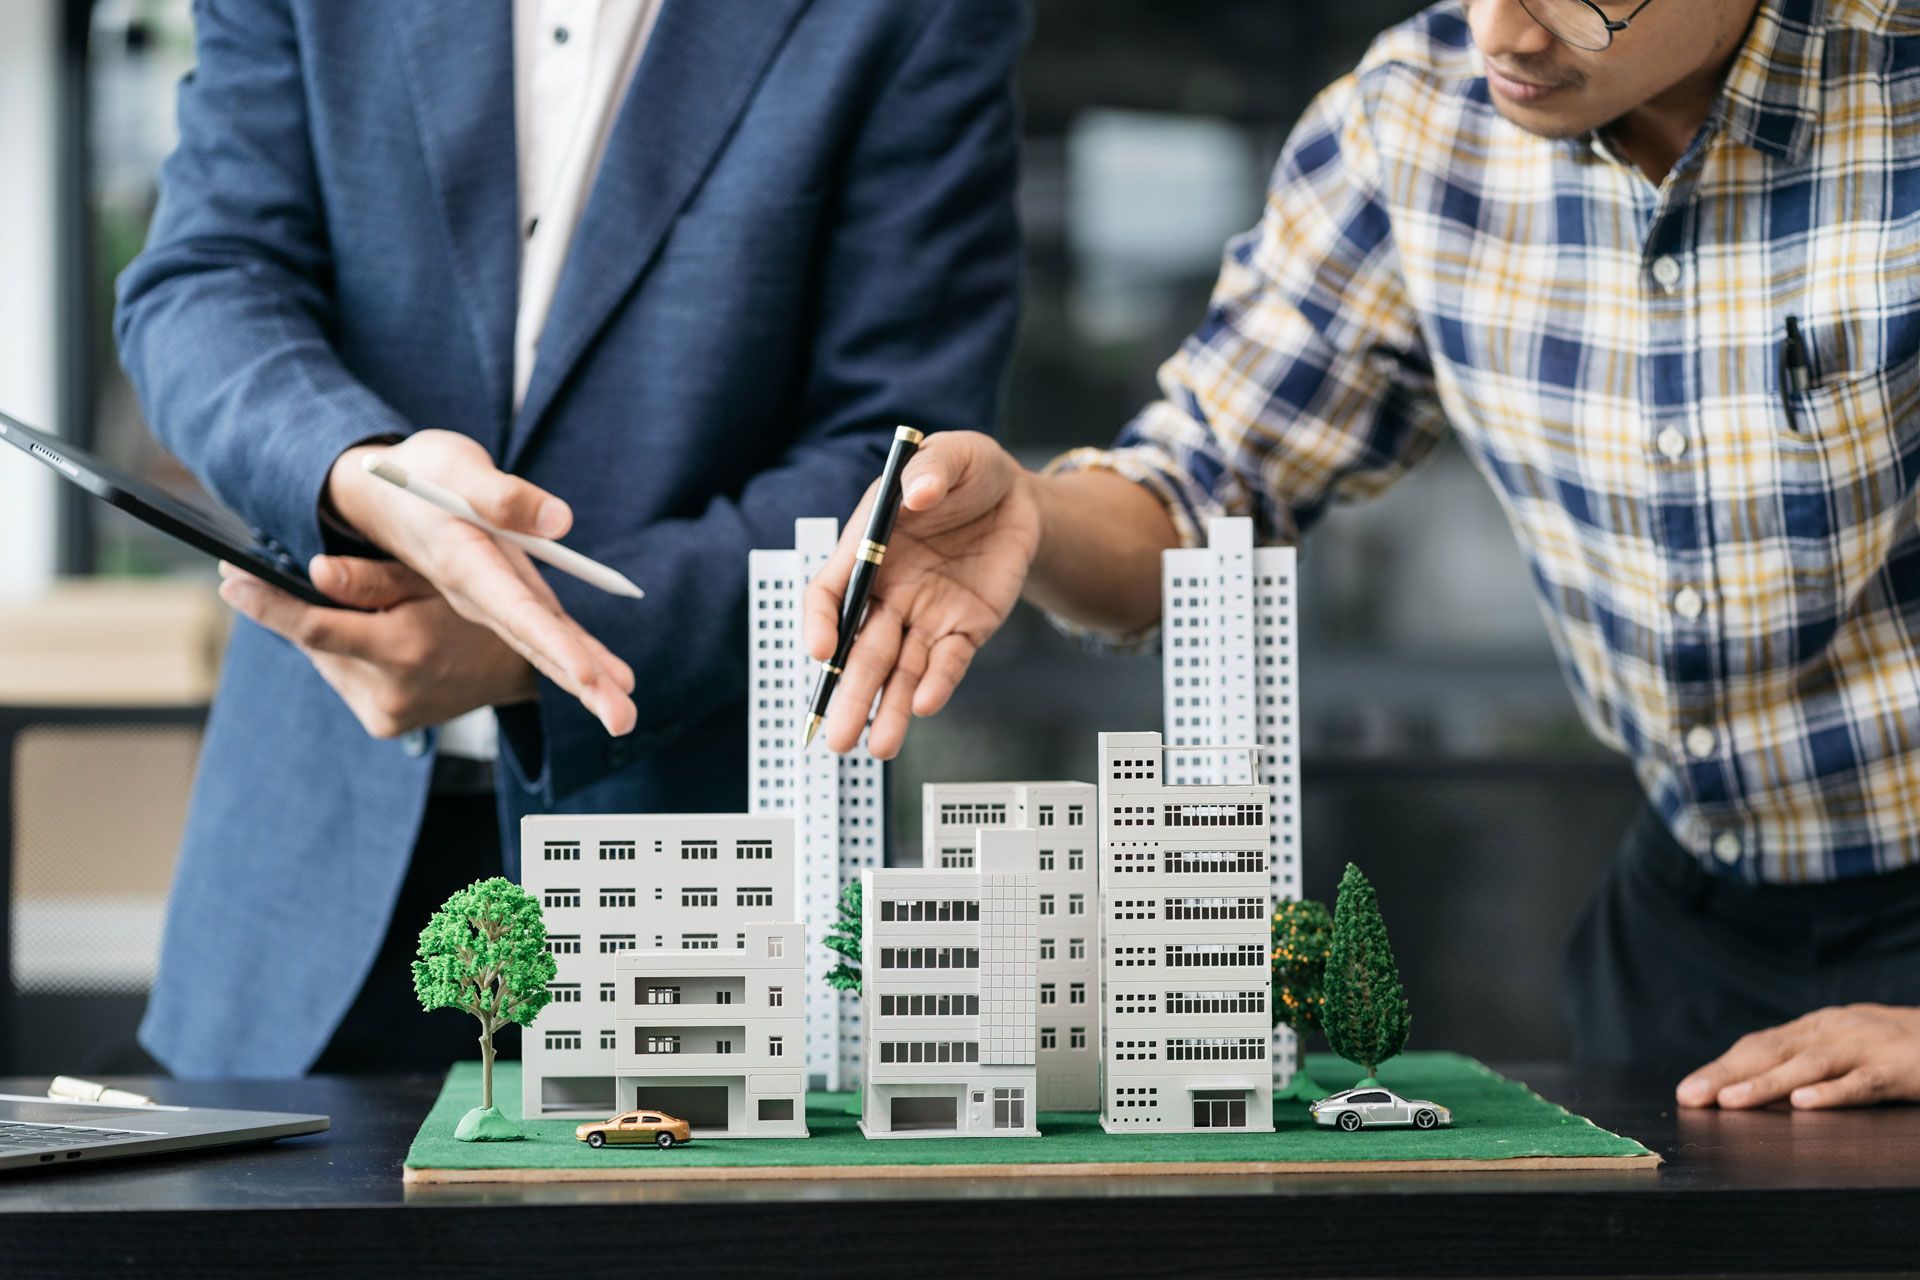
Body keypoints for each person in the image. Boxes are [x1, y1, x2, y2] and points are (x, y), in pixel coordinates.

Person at [806, 0, 1920, 1109]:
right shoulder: (1417, 119)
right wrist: (1035, 519)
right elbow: (1200, 490)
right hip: (1689, 914)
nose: (1502, 35)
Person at [115, 0, 1023, 1076]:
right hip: (300, 874)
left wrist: (533, 645)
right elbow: (204, 277)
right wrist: (356, 470)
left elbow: (893, 458)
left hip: (689, 873)